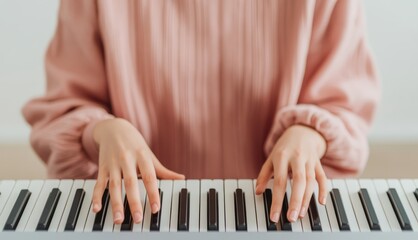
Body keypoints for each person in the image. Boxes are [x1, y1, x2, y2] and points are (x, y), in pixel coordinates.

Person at [22, 0, 379, 226]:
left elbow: (345, 106)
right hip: (133, 218)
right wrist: (102, 131)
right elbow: (62, 108)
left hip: (281, 217)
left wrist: (310, 133)